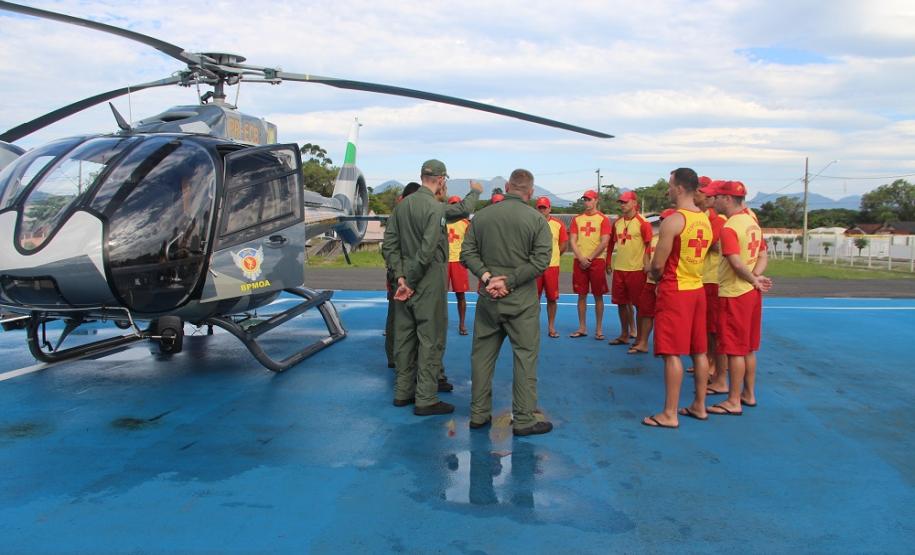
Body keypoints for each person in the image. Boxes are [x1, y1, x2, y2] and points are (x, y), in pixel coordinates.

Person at [461, 169, 554, 436]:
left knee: (481, 357)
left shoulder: (483, 216)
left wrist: (488, 277)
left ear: (506, 186)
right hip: (521, 303)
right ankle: (524, 420)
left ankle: (479, 414)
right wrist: (510, 281)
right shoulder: (537, 220)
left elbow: (467, 252)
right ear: (531, 192)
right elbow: (541, 261)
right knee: (524, 358)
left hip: (488, 300)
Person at [381, 159, 458, 416]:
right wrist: (411, 281)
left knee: (404, 339)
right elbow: (427, 251)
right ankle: (425, 398)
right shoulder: (435, 209)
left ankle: (403, 392)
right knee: (430, 339)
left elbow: (389, 246)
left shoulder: (401, 208)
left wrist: (401, 279)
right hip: (426, 284)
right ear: (441, 179)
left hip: (402, 285)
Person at [642, 168, 713, 428]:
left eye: (670, 185)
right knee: (699, 351)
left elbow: (658, 265)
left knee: (672, 353)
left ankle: (669, 413)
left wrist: (654, 272)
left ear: (680, 188)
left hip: (676, 291)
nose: (668, 190)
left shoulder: (674, 221)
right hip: (697, 289)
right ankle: (699, 405)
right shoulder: (704, 219)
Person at [709, 180, 772, 415]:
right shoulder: (752, 223)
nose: (714, 202)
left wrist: (751, 278)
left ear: (726, 199)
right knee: (748, 348)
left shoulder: (730, 226)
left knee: (734, 348)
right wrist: (755, 276)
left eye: (716, 197)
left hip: (735, 292)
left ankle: (733, 400)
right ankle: (748, 393)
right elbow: (763, 254)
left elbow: (734, 261)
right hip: (751, 293)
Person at [606, 191, 652, 346]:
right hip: (620, 269)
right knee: (620, 303)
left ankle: (639, 338)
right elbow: (611, 243)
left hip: (637, 270)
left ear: (634, 203)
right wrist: (608, 261)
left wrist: (647, 263)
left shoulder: (642, 222)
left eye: (625, 202)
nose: (622, 205)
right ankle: (624, 334)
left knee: (639, 305)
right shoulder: (618, 223)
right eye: (621, 202)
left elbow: (648, 244)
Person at [695, 178, 729, 391]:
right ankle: (709, 363)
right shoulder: (703, 218)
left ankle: (718, 372)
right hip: (704, 277)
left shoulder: (718, 221)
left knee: (716, 330)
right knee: (707, 328)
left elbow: (709, 247)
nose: (699, 196)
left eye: (703, 192)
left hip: (714, 280)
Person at [384, 182, 421, 369]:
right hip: (401, 274)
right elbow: (389, 248)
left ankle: (395, 356)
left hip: (399, 273)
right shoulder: (401, 216)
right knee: (397, 318)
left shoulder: (399, 214)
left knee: (397, 317)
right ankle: (395, 356)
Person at [627, 208, 673, 354]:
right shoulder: (654, 238)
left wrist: (657, 274)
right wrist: (647, 266)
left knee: (665, 316)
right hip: (650, 281)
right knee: (645, 312)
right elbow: (647, 254)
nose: (662, 222)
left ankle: (665, 345)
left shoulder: (674, 239)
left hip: (665, 283)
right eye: (662, 219)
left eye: (666, 220)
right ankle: (643, 343)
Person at [568, 190, 611, 339]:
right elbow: (572, 240)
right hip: (579, 261)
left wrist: (590, 258)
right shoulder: (577, 219)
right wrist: (581, 258)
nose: (586, 202)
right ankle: (582, 327)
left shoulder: (603, 219)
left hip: (597, 261)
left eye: (589, 199)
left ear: (596, 201)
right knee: (581, 295)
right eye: (585, 199)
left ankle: (599, 329)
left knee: (598, 295)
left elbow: (604, 241)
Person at [534, 196, 568, 338]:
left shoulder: (558, 224)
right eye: (540, 207)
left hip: (551, 266)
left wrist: (554, 256)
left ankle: (551, 326)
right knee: (533, 299)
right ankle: (532, 327)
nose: (542, 210)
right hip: (535, 266)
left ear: (549, 208)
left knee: (552, 298)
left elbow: (563, 245)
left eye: (544, 207)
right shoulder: (531, 223)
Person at [446, 195, 471, 335]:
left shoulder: (466, 223)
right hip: (443, 262)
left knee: (460, 295)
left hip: (458, 262)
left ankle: (462, 324)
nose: (455, 207)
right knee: (439, 296)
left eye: (457, 204)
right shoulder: (442, 221)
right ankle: (439, 322)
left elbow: (470, 242)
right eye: (452, 204)